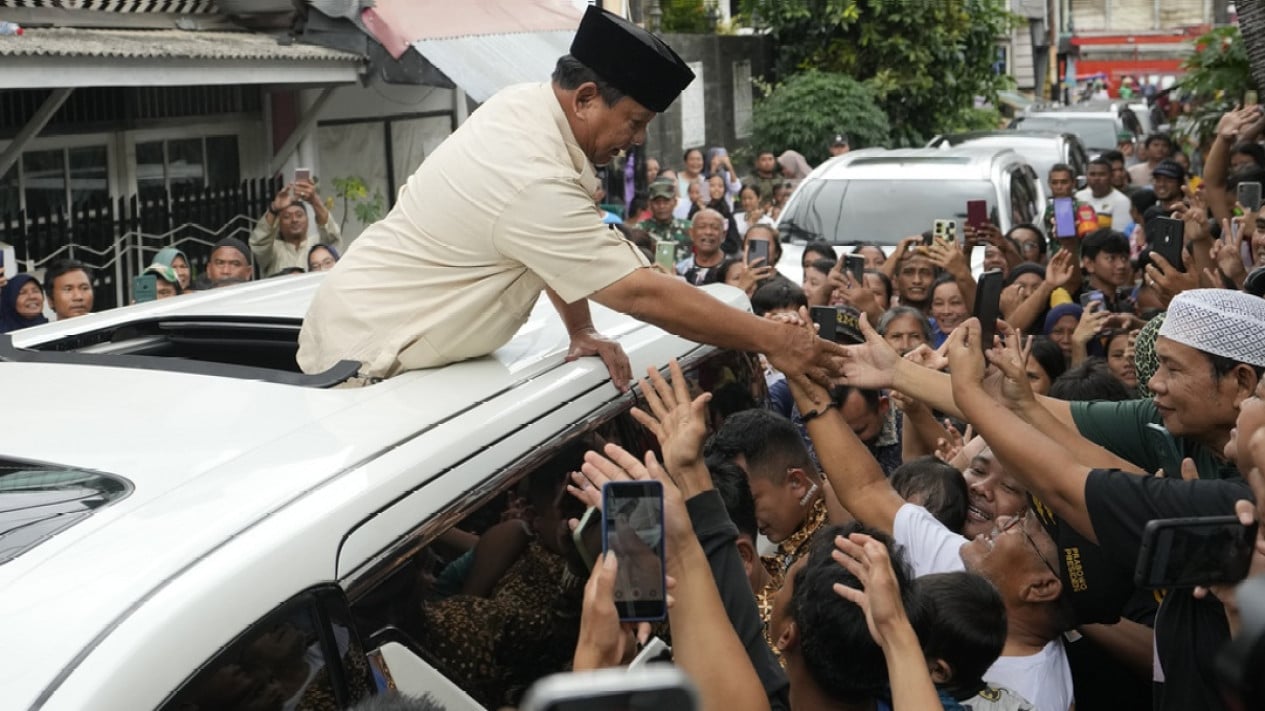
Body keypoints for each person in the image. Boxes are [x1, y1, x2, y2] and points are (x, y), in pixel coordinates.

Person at [297, 8, 846, 388]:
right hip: (364, 363)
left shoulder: (528, 106)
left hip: (367, 327)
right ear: (585, 97)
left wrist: (580, 329)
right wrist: (773, 340)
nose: (635, 142)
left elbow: (558, 243)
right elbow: (640, 295)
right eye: (633, 122)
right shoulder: (529, 174)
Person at [944, 312, 1260, 711]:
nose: (1154, 383)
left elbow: (1067, 483)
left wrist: (970, 394)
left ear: (1243, 382)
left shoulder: (1234, 504)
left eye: (1260, 399)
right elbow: (1100, 470)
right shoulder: (1224, 499)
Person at [250, 180, 342, 277]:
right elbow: (259, 243)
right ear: (279, 224)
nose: (294, 220)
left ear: (307, 220)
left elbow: (333, 238)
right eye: (287, 216)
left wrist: (314, 200)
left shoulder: (318, 244)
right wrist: (274, 209)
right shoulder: (273, 250)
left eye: (299, 215)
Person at [1075, 158, 1131, 229]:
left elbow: (1119, 237)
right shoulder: (1079, 196)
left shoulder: (1122, 202)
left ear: (1111, 176)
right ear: (1086, 176)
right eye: (1092, 174)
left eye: (1102, 174)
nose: (1096, 178)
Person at [676, 209, 727, 285]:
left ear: (723, 235)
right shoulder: (680, 269)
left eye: (715, 227)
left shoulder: (732, 269)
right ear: (691, 233)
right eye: (702, 227)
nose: (708, 232)